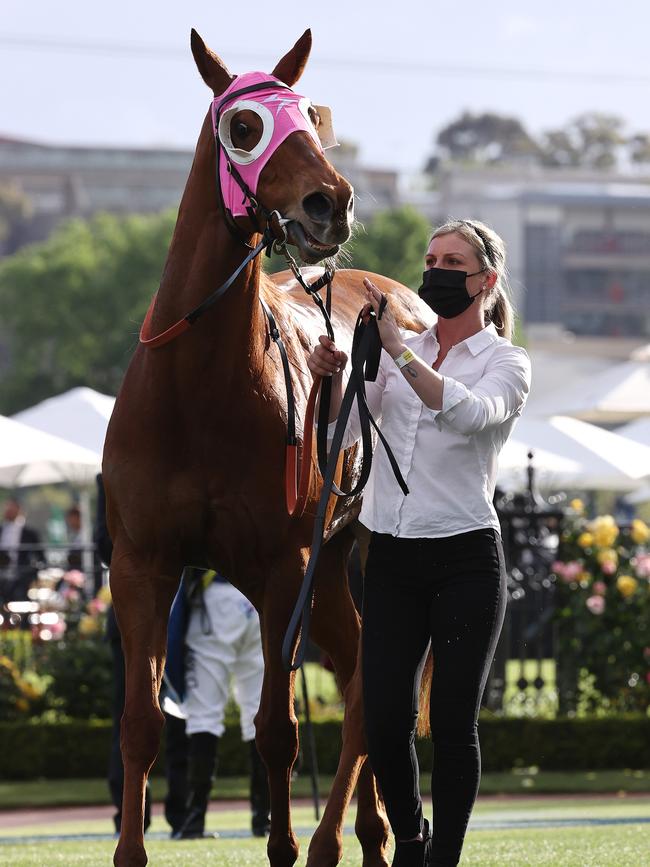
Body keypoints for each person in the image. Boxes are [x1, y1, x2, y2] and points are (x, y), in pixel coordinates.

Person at [308, 219, 531, 867]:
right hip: (392, 558)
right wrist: (330, 378)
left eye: (452, 261)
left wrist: (397, 352)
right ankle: (410, 836)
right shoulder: (394, 346)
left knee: (455, 726)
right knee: (382, 719)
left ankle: (443, 859)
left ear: (485, 281)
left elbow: (464, 413)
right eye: (430, 259)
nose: (435, 270)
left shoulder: (505, 362)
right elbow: (338, 435)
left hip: (466, 559)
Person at [173, 567, 270, 840]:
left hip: (214, 600)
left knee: (204, 716)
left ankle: (194, 820)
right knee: (258, 713)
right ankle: (265, 818)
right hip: (257, 599)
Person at [0, 496, 44, 607]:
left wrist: (32, 571)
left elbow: (40, 556)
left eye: (12, 508)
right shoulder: (1, 530)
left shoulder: (29, 533)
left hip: (22, 577)